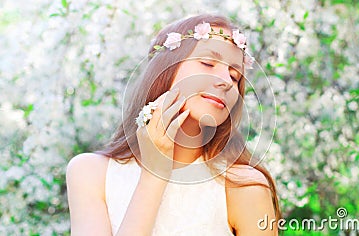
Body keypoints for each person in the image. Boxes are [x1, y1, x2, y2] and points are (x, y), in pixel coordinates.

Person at [66, 14, 280, 235]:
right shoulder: (90, 173)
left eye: (235, 76)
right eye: (208, 63)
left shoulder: (244, 186)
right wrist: (154, 172)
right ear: (164, 68)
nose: (225, 81)